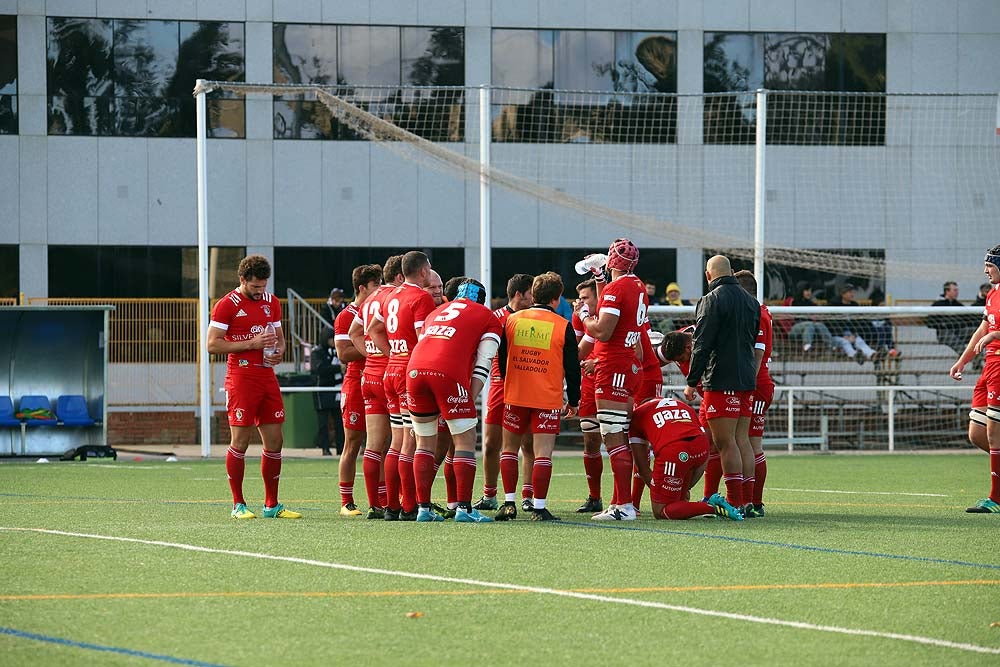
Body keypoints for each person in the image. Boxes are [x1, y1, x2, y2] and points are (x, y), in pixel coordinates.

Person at [207, 254, 301, 520]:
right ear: (242, 280)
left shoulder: (272, 302)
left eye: (264, 286)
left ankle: (271, 505)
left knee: (275, 440)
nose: (261, 292)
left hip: (266, 376)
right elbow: (212, 344)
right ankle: (238, 504)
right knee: (241, 440)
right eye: (255, 287)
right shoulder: (227, 305)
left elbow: (279, 340)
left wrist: (279, 352)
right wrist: (251, 343)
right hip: (241, 378)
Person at [407, 279, 503, 523]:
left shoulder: (436, 312)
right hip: (447, 373)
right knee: (465, 440)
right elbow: (484, 362)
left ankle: (423, 509)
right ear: (481, 299)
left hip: (414, 371)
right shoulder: (488, 316)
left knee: (424, 444)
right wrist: (467, 398)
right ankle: (464, 508)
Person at [495, 272, 580, 521]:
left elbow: (501, 357)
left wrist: (507, 382)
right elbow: (573, 369)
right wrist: (573, 400)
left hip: (516, 393)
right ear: (557, 298)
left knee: (509, 450)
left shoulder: (512, 320)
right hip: (546, 397)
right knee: (543, 453)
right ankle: (539, 507)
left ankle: (509, 503)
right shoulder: (563, 326)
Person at [579, 238, 648, 521]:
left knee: (613, 437)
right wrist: (599, 278)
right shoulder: (637, 285)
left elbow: (603, 331)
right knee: (618, 434)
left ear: (612, 260)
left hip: (613, 367)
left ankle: (624, 506)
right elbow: (613, 306)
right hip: (627, 364)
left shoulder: (619, 288)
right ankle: (622, 502)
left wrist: (584, 316)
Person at [683, 254, 759, 512]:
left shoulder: (711, 300)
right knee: (741, 441)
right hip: (747, 380)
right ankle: (747, 499)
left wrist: (692, 381)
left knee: (725, 444)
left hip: (721, 379)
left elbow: (702, 344)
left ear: (708, 275)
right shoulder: (752, 303)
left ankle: (735, 501)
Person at [368, 250, 437, 521]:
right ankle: (410, 506)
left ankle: (393, 507)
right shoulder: (420, 297)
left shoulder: (390, 295)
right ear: (422, 271)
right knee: (411, 441)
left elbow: (374, 329)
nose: (431, 275)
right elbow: (424, 339)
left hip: (391, 370)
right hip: (409, 373)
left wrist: (393, 354)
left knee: (397, 442)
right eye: (430, 269)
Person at [472, 273, 535, 512]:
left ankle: (527, 496)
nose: (534, 298)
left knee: (527, 445)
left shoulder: (535, 318)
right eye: (531, 293)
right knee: (490, 444)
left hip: (527, 386)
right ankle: (490, 494)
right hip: (499, 386)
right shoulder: (495, 318)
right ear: (519, 294)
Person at [348, 255, 405, 519]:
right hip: (390, 376)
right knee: (401, 444)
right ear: (400, 277)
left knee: (373, 445)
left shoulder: (369, 300)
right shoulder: (394, 297)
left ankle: (375, 503)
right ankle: (401, 502)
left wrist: (371, 355)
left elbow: (355, 333)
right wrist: (391, 354)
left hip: (369, 375)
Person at [628, 397, 743, 521]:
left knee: (661, 510)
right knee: (680, 499)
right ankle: (699, 503)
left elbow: (642, 468)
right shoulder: (681, 404)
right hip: (702, 449)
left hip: (675, 450)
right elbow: (702, 437)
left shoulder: (638, 414)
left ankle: (712, 507)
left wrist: (659, 490)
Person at [949, 246, 1000, 514]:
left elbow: (992, 333)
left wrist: (995, 336)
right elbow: (983, 328)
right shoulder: (992, 294)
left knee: (994, 434)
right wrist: (962, 360)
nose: (985, 270)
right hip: (988, 368)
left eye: (990, 265)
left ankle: (996, 499)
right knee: (977, 433)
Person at [334, 263, 383, 517]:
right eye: (376, 285)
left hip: (378, 381)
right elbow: (343, 353)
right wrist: (374, 347)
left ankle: (382, 498)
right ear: (362, 287)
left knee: (381, 443)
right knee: (352, 443)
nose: (380, 289)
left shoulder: (377, 310)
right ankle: (347, 501)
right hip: (356, 382)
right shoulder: (347, 315)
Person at [733, 269, 773, 517]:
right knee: (744, 442)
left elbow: (757, 355)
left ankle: (752, 501)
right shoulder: (762, 312)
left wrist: (746, 385)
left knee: (749, 443)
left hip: (755, 385)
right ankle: (750, 501)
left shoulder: (757, 314)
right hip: (756, 383)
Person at [571, 278, 603, 513]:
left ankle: (629, 500)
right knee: (590, 441)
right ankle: (595, 497)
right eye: (579, 298)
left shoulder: (614, 315)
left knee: (625, 441)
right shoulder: (582, 318)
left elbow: (633, 350)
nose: (581, 303)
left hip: (616, 381)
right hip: (590, 384)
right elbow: (577, 351)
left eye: (586, 298)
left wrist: (600, 361)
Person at [310, 325, 343, 457]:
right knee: (323, 423)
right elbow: (319, 369)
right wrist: (337, 368)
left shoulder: (336, 351)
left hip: (336, 391)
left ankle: (341, 449)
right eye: (331, 339)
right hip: (321, 392)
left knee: (339, 422)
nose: (333, 341)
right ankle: (325, 448)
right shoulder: (317, 352)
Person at [828, 284, 876, 364]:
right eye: (850, 292)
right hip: (837, 334)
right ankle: (855, 355)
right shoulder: (833, 305)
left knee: (859, 340)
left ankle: (872, 354)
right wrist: (842, 335)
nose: (852, 294)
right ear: (843, 294)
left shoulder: (855, 305)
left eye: (852, 292)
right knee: (845, 342)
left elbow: (859, 322)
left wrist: (854, 334)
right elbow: (831, 324)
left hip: (851, 333)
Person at [931, 281, 977, 355]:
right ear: (947, 291)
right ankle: (967, 356)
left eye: (957, 290)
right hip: (944, 333)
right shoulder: (937, 305)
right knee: (957, 342)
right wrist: (942, 324)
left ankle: (977, 361)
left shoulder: (958, 305)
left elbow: (968, 317)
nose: (957, 292)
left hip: (958, 331)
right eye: (955, 290)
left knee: (976, 333)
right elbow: (930, 321)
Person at [788, 282, 833, 353]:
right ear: (801, 291)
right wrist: (810, 317)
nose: (809, 293)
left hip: (811, 328)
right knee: (809, 324)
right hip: (794, 329)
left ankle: (830, 345)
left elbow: (818, 314)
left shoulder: (811, 303)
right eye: (807, 291)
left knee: (819, 325)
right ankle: (806, 346)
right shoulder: (794, 302)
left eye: (810, 291)